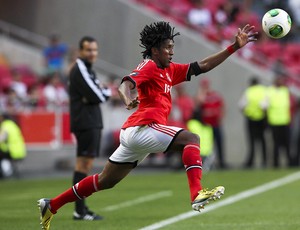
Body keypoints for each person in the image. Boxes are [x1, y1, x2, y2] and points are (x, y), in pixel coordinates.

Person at [37, 21, 257, 230]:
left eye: (172, 47)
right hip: (142, 128)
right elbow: (125, 84)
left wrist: (234, 47)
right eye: (167, 48)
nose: (172, 52)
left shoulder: (171, 70)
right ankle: (196, 193)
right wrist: (126, 98)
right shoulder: (150, 65)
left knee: (105, 181)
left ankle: (51, 205)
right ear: (154, 50)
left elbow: (204, 65)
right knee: (192, 139)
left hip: (139, 136)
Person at [68, 36, 111, 221]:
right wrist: (102, 91)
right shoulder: (80, 68)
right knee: (83, 166)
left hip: (90, 121)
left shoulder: (87, 69)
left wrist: (101, 91)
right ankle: (80, 210)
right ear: (80, 51)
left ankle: (81, 209)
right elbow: (99, 95)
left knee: (84, 166)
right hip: (86, 122)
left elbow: (99, 93)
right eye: (88, 50)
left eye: (94, 50)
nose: (92, 53)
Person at [194, 77, 226, 169]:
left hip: (216, 123)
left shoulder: (215, 95)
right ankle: (207, 163)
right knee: (207, 145)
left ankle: (221, 163)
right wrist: (202, 92)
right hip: (206, 126)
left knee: (219, 143)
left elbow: (222, 106)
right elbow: (198, 102)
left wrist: (221, 117)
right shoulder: (202, 95)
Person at [238, 77, 267, 168]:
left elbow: (241, 106)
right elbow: (264, 106)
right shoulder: (263, 90)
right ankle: (264, 161)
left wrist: (248, 112)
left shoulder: (248, 91)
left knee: (251, 142)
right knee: (262, 141)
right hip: (261, 119)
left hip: (251, 119)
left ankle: (251, 162)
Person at [265, 75, 293, 168]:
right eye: (279, 80)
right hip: (274, 122)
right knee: (276, 144)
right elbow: (264, 105)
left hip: (285, 121)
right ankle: (276, 163)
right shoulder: (270, 91)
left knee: (287, 144)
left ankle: (289, 162)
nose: (281, 82)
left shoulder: (285, 90)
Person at [0, 112, 26, 178]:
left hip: (12, 150)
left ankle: (7, 172)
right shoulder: (13, 125)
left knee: (2, 157)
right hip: (20, 150)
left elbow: (2, 138)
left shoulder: (5, 126)